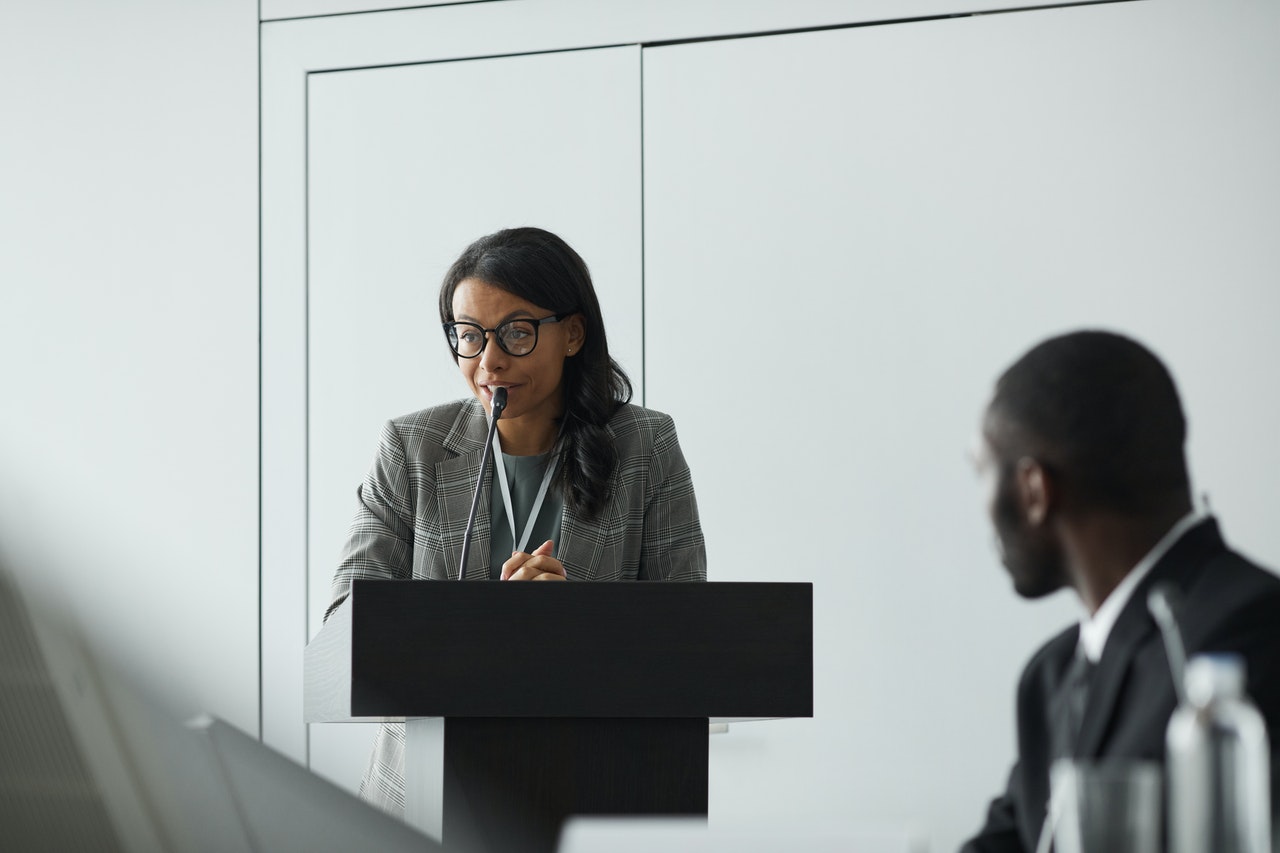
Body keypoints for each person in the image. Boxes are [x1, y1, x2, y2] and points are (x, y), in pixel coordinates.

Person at [326, 226, 707, 815]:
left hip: (598, 787)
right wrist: (484, 628)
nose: (490, 362)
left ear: (573, 333)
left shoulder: (646, 447)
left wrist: (570, 627)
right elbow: (345, 628)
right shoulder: (413, 447)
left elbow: (690, 635)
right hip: (427, 795)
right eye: (469, 337)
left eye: (517, 333)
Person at [961, 330, 1280, 852]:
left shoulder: (1254, 629)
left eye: (981, 473)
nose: (981, 505)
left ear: (1034, 491)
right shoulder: (1051, 677)